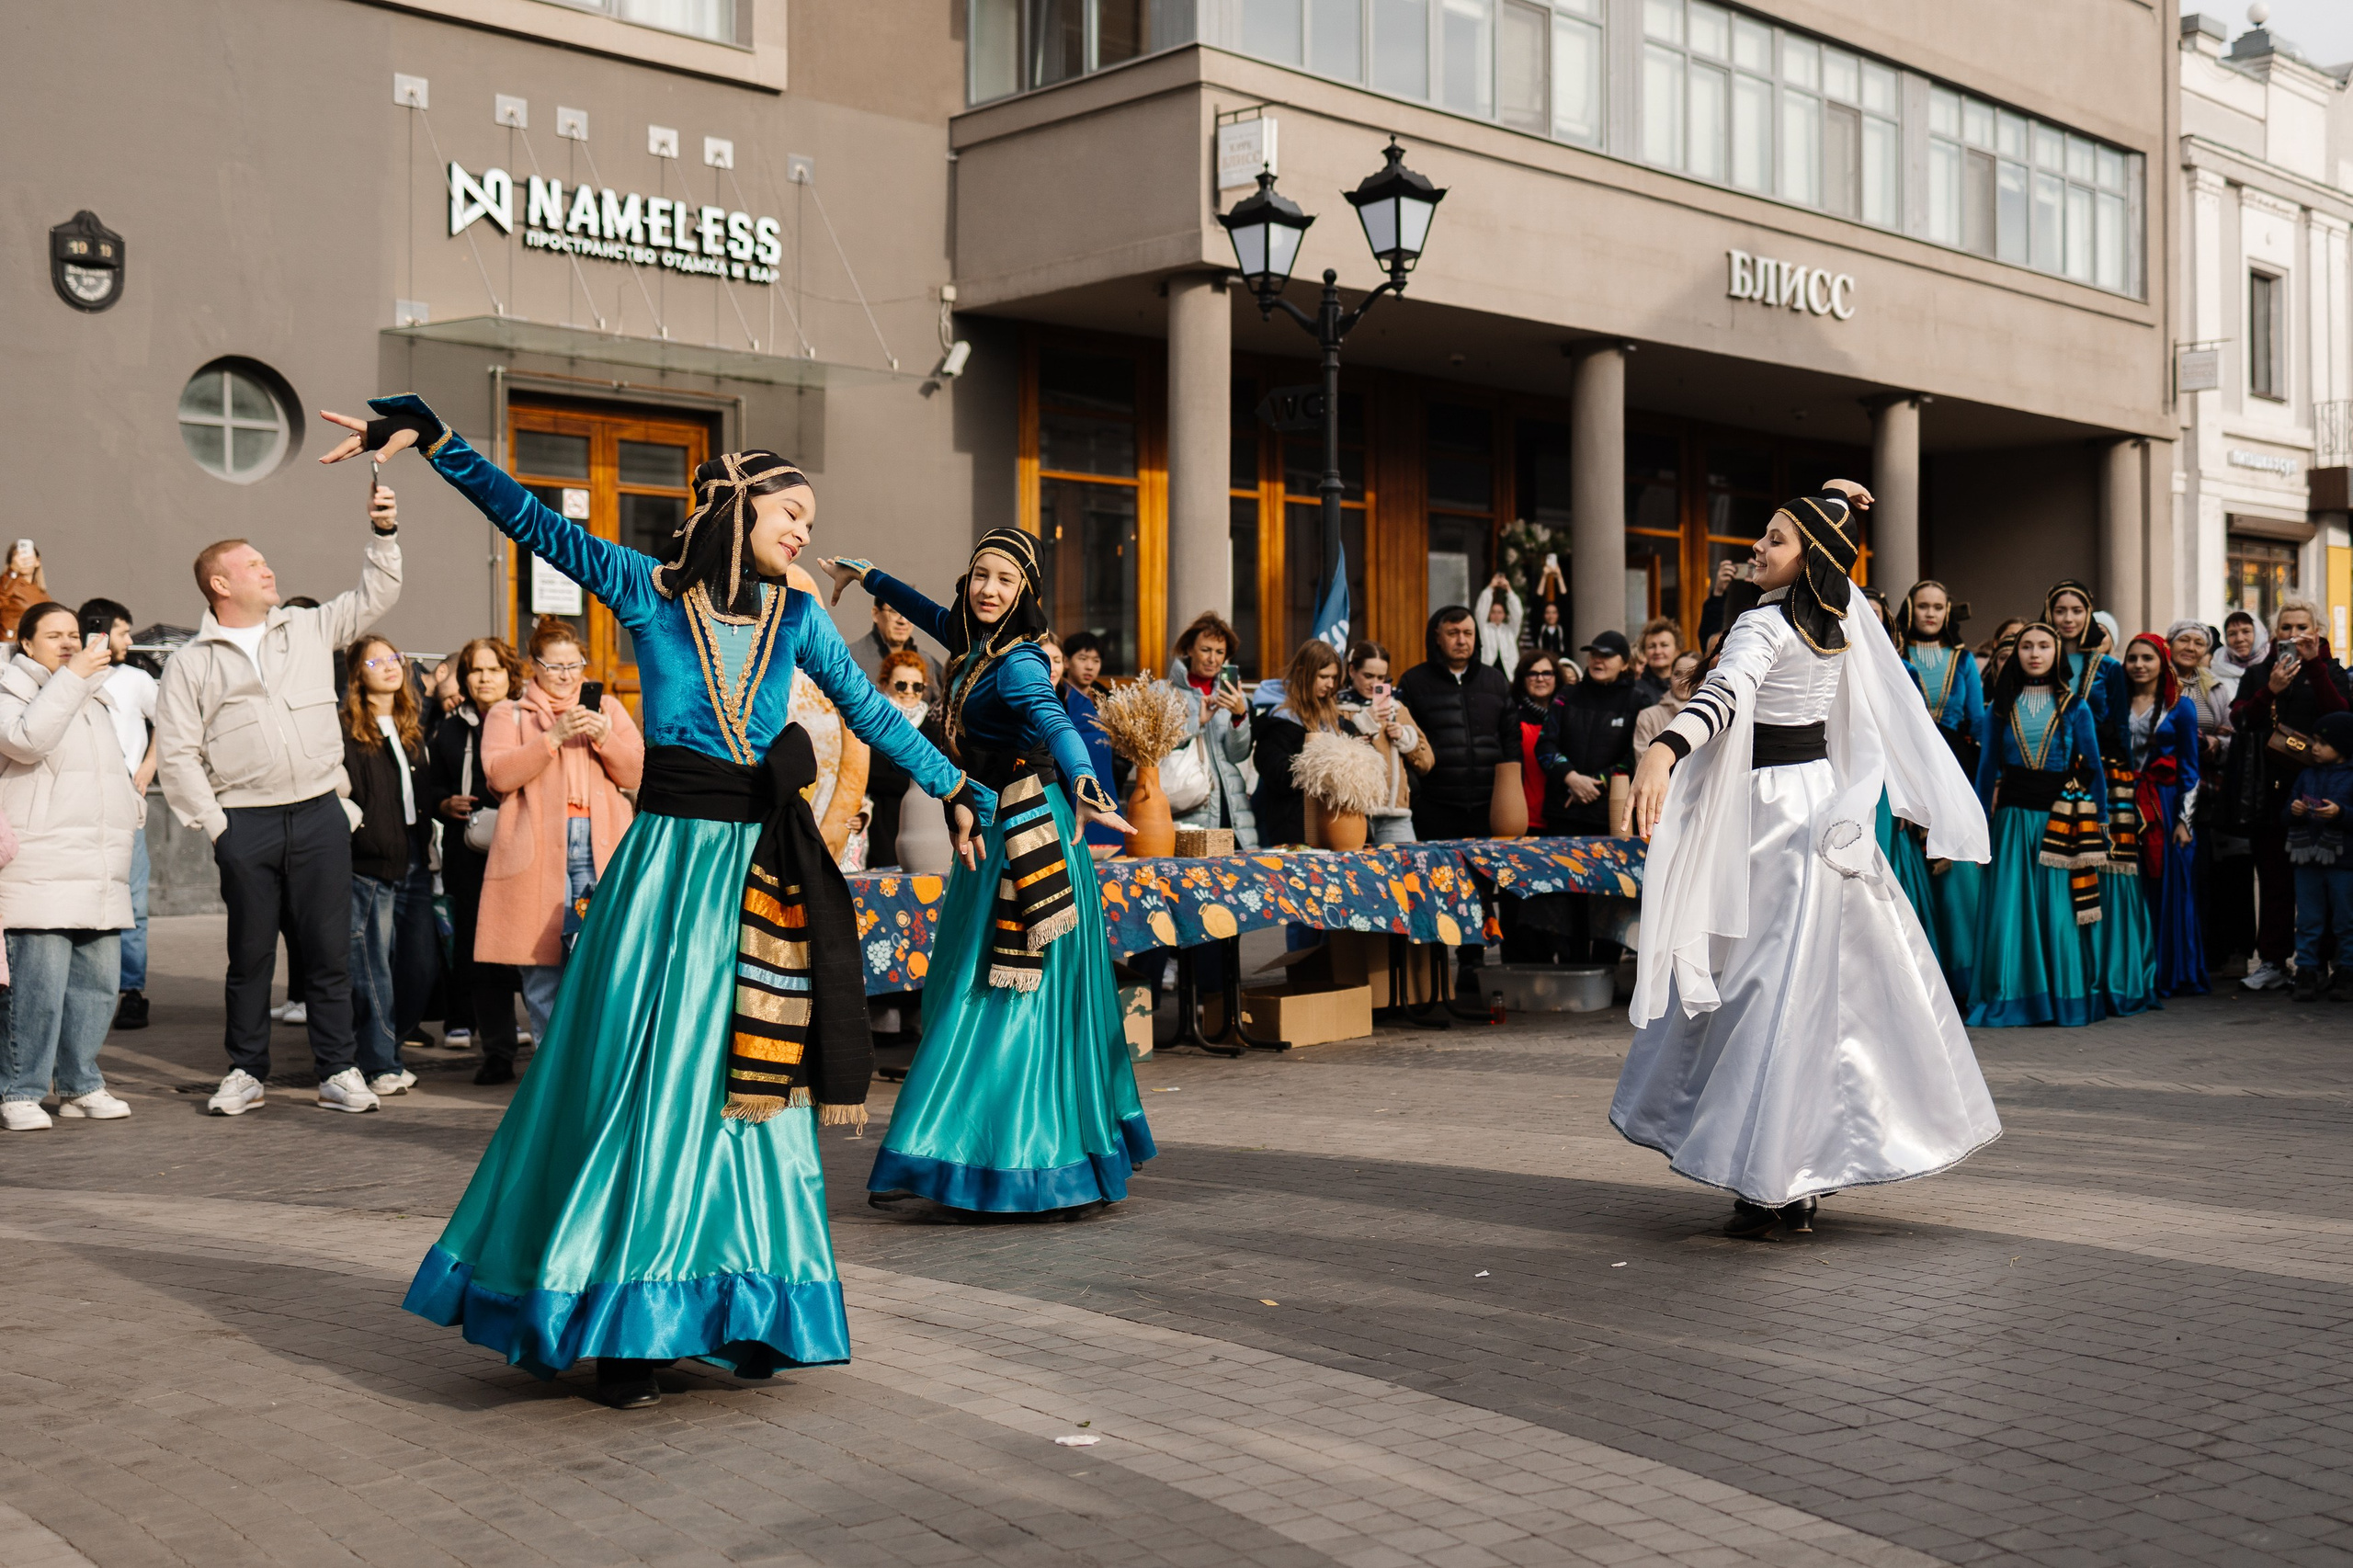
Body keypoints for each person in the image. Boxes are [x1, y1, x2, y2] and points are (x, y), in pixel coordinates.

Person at [341, 395, 989, 1408]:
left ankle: (734, 1299)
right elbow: (532, 521)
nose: (806, 533)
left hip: (754, 875)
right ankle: (625, 1318)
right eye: (793, 516)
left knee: (745, 1083)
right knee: (647, 1078)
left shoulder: (800, 617)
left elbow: (869, 713)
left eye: (810, 521)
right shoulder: (648, 590)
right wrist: (436, 440)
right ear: (740, 511)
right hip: (666, 870)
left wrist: (966, 787)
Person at [1617, 485, 1996, 1239]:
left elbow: (1724, 695)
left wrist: (1664, 748)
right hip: (1820, 806)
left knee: (1767, 991)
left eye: (1775, 540)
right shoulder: (1837, 619)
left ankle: (1775, 1184)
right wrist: (1835, 498)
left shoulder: (1764, 624)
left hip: (1771, 820)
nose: (1758, 547)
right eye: (1763, 535)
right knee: (1821, 992)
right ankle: (1794, 1170)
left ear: (1808, 560)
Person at [819, 530, 1148, 1218]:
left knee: (1008, 996)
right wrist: (870, 574)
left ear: (1026, 590)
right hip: (988, 831)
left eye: (1004, 579)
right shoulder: (972, 642)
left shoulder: (1021, 663)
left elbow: (1053, 721)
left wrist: (1086, 776)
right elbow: (926, 609)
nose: (988, 589)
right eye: (980, 575)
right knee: (964, 984)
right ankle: (961, 1150)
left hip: (1031, 837)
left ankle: (1016, 1161)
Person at [156, 482, 402, 1117]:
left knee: (328, 951)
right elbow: (177, 752)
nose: (269, 571)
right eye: (253, 565)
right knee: (250, 957)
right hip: (245, 823)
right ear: (219, 583)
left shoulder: (308, 626)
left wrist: (383, 532)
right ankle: (244, 1071)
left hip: (320, 813)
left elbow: (378, 593)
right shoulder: (191, 663)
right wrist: (216, 828)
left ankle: (338, 1068)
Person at [0, 603, 140, 1129]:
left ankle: (81, 1082)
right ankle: (19, 1090)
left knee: (97, 986)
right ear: (25, 643)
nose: (68, 643)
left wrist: (132, 810)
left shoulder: (90, 696)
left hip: (100, 865)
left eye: (74, 635)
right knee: (37, 991)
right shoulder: (10, 691)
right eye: (53, 635)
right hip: (40, 864)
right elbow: (27, 741)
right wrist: (73, 681)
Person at [479, 618, 644, 1046]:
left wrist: (606, 739)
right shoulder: (508, 712)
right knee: (541, 972)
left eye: (575, 665)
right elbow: (499, 775)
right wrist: (552, 737)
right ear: (534, 666)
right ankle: (547, 1078)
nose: (568, 675)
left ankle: (591, 1069)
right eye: (556, 667)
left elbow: (637, 774)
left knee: (602, 962)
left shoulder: (606, 708)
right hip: (536, 850)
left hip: (600, 844)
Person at [1966, 624, 2109, 1027]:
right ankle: (2014, 997)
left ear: (2056, 653)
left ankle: (2062, 998)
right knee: (2011, 912)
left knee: (2059, 911)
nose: (2034, 653)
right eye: (2026, 646)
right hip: (2011, 823)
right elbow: (1986, 772)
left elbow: (2094, 769)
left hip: (2060, 824)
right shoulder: (1998, 707)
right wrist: (1981, 825)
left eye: (2044, 646)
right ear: (2016, 654)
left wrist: (2099, 820)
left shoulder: (2075, 706)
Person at [2225, 597, 2349, 991]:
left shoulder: (2330, 670)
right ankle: (2274, 961)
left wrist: (2314, 668)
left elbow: (2343, 720)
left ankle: (2326, 965)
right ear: (2275, 634)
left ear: (2318, 632)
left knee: (2327, 881)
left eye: (2302, 628)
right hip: (2273, 790)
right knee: (2275, 881)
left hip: (2323, 788)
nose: (2294, 636)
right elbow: (2241, 720)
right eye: (2286, 628)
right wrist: (2270, 691)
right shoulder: (2261, 672)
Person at [426, 636, 524, 1083]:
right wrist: (443, 804)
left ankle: (550, 1049)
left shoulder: (531, 721)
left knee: (537, 953)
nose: (485, 678)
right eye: (476, 670)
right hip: (469, 855)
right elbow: (431, 787)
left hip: (526, 851)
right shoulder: (449, 728)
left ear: (510, 675)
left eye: (493, 669)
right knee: (482, 954)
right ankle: (498, 1052)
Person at [341, 633, 432, 1100]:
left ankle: (384, 1045)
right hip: (370, 861)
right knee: (371, 967)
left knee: (419, 963)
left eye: (395, 656)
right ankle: (379, 1062)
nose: (390, 665)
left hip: (415, 857)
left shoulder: (410, 723)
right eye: (376, 660)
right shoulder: (348, 729)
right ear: (358, 675)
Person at [1895, 581, 1985, 994]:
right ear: (1910, 609)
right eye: (1923, 606)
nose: (1930, 613)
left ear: (1948, 612)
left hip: (1951, 762)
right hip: (1903, 761)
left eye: (1937, 607)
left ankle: (1960, 977)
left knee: (1953, 873)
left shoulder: (1963, 658)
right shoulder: (1897, 654)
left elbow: (1975, 718)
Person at [77, 598, 159, 1031]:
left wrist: (148, 767)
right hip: (77, 801)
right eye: (124, 631)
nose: (130, 640)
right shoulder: (71, 675)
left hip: (126, 800)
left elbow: (172, 721)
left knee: (133, 899)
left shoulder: (137, 680)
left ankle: (132, 990)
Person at [2117, 633, 2205, 997]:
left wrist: (2185, 821)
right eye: (2132, 658)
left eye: (2147, 658)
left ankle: (2167, 971)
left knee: (2166, 886)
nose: (2139, 665)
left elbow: (2190, 767)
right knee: (2128, 886)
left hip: (2165, 806)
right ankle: (2131, 969)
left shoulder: (2181, 706)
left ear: (2162, 663)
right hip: (2121, 801)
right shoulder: (2114, 700)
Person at [1395, 605, 1512, 846]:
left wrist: (1510, 793)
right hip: (1434, 806)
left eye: (1468, 633)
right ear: (1437, 637)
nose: (1461, 641)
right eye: (1453, 633)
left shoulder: (1495, 681)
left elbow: (1512, 739)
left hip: (1489, 805)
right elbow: (1406, 741)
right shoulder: (1414, 681)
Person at [2171, 619, 2246, 971]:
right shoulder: (2157, 680)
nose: (2190, 647)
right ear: (2169, 644)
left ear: (2207, 650)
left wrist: (2217, 743)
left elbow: (2233, 737)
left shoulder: (2214, 688)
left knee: (2206, 874)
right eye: (2183, 640)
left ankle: (2205, 951)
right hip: (2165, 786)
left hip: (2206, 791)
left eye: (2198, 642)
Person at [1163, 611, 1258, 850]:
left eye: (1219, 652)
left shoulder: (1236, 698)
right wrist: (1198, 722)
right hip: (1191, 808)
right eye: (1205, 650)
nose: (1212, 659)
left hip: (1233, 807)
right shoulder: (1164, 692)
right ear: (1189, 649)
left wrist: (1239, 715)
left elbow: (1238, 755)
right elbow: (1155, 748)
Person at [1536, 631, 1645, 838]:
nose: (1598, 660)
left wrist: (1596, 783)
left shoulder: (1638, 701)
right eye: (1594, 654)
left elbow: (1635, 757)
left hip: (1611, 814)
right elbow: (1545, 744)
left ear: (1624, 664)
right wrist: (1571, 778)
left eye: (1606, 656)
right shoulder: (1566, 695)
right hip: (1563, 810)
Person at [1334, 642, 1430, 846]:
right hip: (1349, 813)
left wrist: (1406, 737)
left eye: (1381, 678)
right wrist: (1362, 722)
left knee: (1406, 874)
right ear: (1352, 670)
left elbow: (1427, 762)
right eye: (1368, 676)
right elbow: (1329, 760)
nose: (1375, 684)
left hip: (1394, 813)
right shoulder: (1336, 707)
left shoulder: (1396, 708)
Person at [2286, 711, 2353, 1001]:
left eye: (2323, 743)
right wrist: (2294, 811)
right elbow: (2286, 811)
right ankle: (2306, 972)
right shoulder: (2306, 774)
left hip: (2344, 861)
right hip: (2306, 859)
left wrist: (2341, 813)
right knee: (2308, 919)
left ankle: (2347, 972)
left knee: (2346, 919)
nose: (2314, 747)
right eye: (2314, 741)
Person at [1251, 641, 1344, 848]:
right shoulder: (1278, 720)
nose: (1330, 684)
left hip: (1329, 824)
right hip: (1288, 827)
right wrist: (1315, 760)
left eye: (1334, 678)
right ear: (1303, 673)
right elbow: (1275, 772)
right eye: (1323, 677)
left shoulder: (1333, 718)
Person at [863, 649, 943, 869]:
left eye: (917, 686)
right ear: (885, 684)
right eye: (901, 685)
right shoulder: (873, 725)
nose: (909, 692)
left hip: (923, 825)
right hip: (880, 823)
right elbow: (870, 775)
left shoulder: (933, 729)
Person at [1046, 633, 1121, 857]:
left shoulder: (1103, 698)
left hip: (1106, 782)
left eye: (1096, 661)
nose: (1089, 666)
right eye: (1083, 658)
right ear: (1068, 662)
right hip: (1074, 784)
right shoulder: (1060, 695)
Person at [1505, 651, 1564, 832]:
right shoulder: (1512, 718)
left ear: (1556, 677)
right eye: (1532, 673)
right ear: (1523, 679)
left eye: (1546, 673)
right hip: (1524, 818)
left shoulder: (1568, 717)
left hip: (1562, 816)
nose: (1540, 679)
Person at [849, 594, 942, 695]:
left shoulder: (928, 663)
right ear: (875, 614)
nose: (903, 620)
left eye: (909, 613)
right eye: (894, 611)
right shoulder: (850, 659)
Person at [1631, 651, 1702, 761]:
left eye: (1691, 675)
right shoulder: (1648, 717)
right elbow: (1645, 764)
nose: (1683, 681)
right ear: (1670, 676)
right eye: (1677, 674)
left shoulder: (1710, 716)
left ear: (1702, 680)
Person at [1472, 574, 1523, 676]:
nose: (1496, 615)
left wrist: (1509, 589)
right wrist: (1491, 587)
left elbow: (1518, 613)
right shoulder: (1484, 629)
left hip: (1509, 674)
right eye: (1493, 612)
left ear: (1504, 615)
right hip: (1488, 673)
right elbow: (1480, 610)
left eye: (1499, 612)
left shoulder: (1510, 630)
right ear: (1489, 614)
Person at [0, 540, 49, 642]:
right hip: (11, 646)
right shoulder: (8, 585)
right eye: (19, 556)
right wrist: (12, 571)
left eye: (28, 555)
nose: (25, 559)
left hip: (34, 646)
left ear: (37, 561)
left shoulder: (40, 592)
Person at [1631, 618, 1682, 705]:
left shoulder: (1687, 686)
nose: (1657, 651)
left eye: (1664, 645)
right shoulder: (1635, 690)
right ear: (1644, 652)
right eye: (1651, 646)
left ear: (1677, 651)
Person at [2214, 609, 2267, 687]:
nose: (2239, 639)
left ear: (2258, 633)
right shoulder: (2217, 666)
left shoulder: (2272, 665)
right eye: (2232, 634)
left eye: (2246, 631)